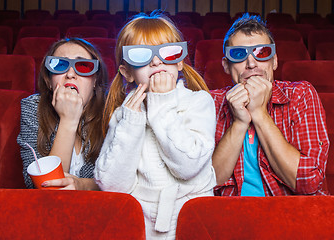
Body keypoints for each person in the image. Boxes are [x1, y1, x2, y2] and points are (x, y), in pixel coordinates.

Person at [94, 11, 216, 239]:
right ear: (127, 73)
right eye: (141, 55)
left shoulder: (199, 101)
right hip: (139, 226)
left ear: (179, 62)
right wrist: (131, 121)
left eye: (168, 52)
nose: (156, 61)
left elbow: (189, 165)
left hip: (193, 221)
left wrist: (162, 105)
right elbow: (112, 186)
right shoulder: (125, 114)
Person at [211, 13, 329, 196]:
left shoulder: (300, 94)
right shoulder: (212, 102)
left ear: (274, 61)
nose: (251, 63)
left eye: (262, 52)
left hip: (289, 217)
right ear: (226, 66)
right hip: (228, 217)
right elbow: (206, 184)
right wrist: (239, 123)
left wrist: (259, 113)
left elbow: (309, 182)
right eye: (238, 54)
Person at [17, 38, 108, 190]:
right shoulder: (33, 108)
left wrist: (82, 185)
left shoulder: (112, 110)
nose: (70, 74)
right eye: (60, 65)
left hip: (100, 208)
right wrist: (68, 120)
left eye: (84, 66)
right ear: (49, 81)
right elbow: (44, 187)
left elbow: (123, 181)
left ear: (95, 81)